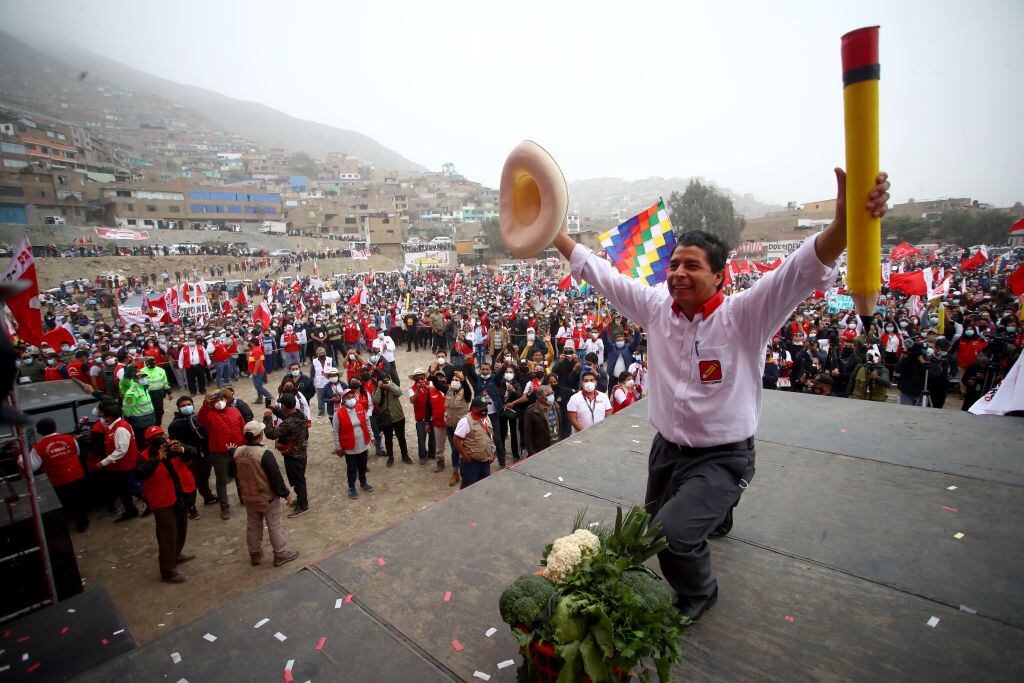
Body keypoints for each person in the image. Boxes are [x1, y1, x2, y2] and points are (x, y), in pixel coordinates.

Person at [551, 167, 891, 621]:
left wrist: (842, 225)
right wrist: (555, 235)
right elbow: (603, 276)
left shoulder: (745, 316)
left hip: (723, 456)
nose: (678, 274)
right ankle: (717, 514)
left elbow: (798, 271)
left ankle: (700, 594)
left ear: (720, 276)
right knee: (648, 533)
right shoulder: (655, 308)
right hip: (667, 452)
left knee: (670, 539)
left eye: (692, 265)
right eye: (673, 265)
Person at [135, 426, 198, 584]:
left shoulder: (174, 445)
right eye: (156, 437)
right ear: (148, 442)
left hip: (180, 495)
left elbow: (194, 453)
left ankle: (176, 555)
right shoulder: (144, 457)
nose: (161, 439)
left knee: (181, 527)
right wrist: (157, 459)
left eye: (161, 435)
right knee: (167, 534)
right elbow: (141, 474)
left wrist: (182, 450)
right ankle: (168, 571)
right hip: (162, 500)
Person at [232, 421, 300, 567]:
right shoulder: (264, 454)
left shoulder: (237, 452)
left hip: (248, 496)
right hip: (266, 497)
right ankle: (280, 554)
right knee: (275, 525)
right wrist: (286, 494)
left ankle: (255, 554)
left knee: (253, 525)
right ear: (260, 435)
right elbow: (275, 477)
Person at [25, 418, 89, 532]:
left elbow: (33, 466)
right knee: (78, 500)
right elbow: (77, 452)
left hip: (57, 480)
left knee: (62, 504)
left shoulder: (38, 447)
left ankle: (63, 528)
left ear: (39, 432)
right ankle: (82, 523)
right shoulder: (69, 438)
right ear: (55, 427)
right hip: (76, 474)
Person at [197, 390, 246, 520]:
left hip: (237, 449)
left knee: (240, 476)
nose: (219, 402)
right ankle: (225, 508)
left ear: (226, 399)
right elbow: (200, 419)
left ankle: (243, 498)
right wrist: (205, 404)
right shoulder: (208, 414)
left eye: (221, 399)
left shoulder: (235, 411)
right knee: (221, 481)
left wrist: (246, 444)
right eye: (216, 400)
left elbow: (242, 427)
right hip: (220, 453)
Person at [167, 395, 216, 516]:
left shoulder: (197, 418)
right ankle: (191, 508)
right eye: (183, 406)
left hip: (205, 454)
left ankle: (208, 497)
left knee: (204, 478)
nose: (186, 407)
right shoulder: (175, 425)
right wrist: (185, 459)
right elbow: (175, 445)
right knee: (191, 484)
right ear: (178, 408)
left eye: (188, 404)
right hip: (190, 458)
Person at [263, 393, 310, 517]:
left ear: (284, 406)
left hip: (294, 455)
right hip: (299, 453)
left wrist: (267, 418)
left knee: (298, 480)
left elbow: (271, 434)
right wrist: (274, 409)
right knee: (297, 478)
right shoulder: (299, 414)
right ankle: (300, 500)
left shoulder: (290, 422)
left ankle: (303, 505)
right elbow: (286, 415)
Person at [97, 400, 141, 522]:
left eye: (103, 415)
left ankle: (149, 503)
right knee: (124, 490)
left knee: (132, 487)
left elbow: (121, 450)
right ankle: (130, 510)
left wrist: (103, 462)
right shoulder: (114, 427)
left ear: (109, 417)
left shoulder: (120, 429)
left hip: (125, 465)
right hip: (119, 466)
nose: (101, 417)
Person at [331, 387, 375, 499]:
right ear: (344, 400)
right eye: (348, 397)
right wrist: (337, 446)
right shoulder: (338, 413)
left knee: (363, 465)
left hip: (363, 443)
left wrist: (371, 436)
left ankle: (363, 483)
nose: (351, 399)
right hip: (350, 446)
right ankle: (352, 487)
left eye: (352, 397)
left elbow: (367, 422)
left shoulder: (360, 407)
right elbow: (335, 431)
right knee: (351, 468)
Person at [452, 395, 497, 489]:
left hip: (485, 460)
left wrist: (492, 453)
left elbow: (489, 436)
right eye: (482, 407)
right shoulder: (465, 421)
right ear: (474, 408)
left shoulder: (486, 417)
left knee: (484, 485)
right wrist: (465, 456)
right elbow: (456, 439)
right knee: (468, 488)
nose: (485, 409)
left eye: (486, 406)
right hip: (472, 462)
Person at [443, 369, 474, 486]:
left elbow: (468, 392)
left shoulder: (465, 393)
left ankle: (466, 473)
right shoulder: (449, 390)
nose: (455, 381)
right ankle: (455, 473)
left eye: (457, 380)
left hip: (461, 428)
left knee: (463, 450)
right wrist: (432, 374)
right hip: (450, 426)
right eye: (453, 380)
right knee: (455, 450)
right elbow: (436, 383)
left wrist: (463, 379)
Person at [373, 374, 410, 466]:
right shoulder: (378, 389)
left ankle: (404, 455)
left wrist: (389, 386)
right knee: (388, 439)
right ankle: (390, 457)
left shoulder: (392, 386)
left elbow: (399, 392)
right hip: (386, 419)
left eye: (387, 380)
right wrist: (379, 388)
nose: (385, 382)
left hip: (398, 416)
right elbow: (376, 400)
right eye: (383, 380)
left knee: (401, 437)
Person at [523, 385, 561, 456]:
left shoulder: (556, 406)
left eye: (552, 393)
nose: (552, 396)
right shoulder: (531, 412)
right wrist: (533, 453)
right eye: (549, 395)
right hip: (541, 451)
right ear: (541, 397)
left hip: (557, 446)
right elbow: (528, 435)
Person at [139, 356, 170, 426]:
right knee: (151, 410)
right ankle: (153, 424)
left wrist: (169, 392)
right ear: (146, 363)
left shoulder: (161, 370)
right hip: (148, 394)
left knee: (160, 411)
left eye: (153, 363)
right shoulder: (141, 371)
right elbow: (140, 384)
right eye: (150, 363)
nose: (152, 364)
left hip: (159, 393)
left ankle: (158, 424)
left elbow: (165, 382)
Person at [248, 337, 273, 406]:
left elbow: (258, 361)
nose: (249, 344)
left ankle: (269, 396)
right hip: (258, 370)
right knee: (258, 385)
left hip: (258, 371)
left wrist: (255, 371)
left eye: (250, 342)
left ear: (253, 343)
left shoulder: (256, 350)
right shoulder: (255, 349)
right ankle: (259, 399)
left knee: (258, 386)